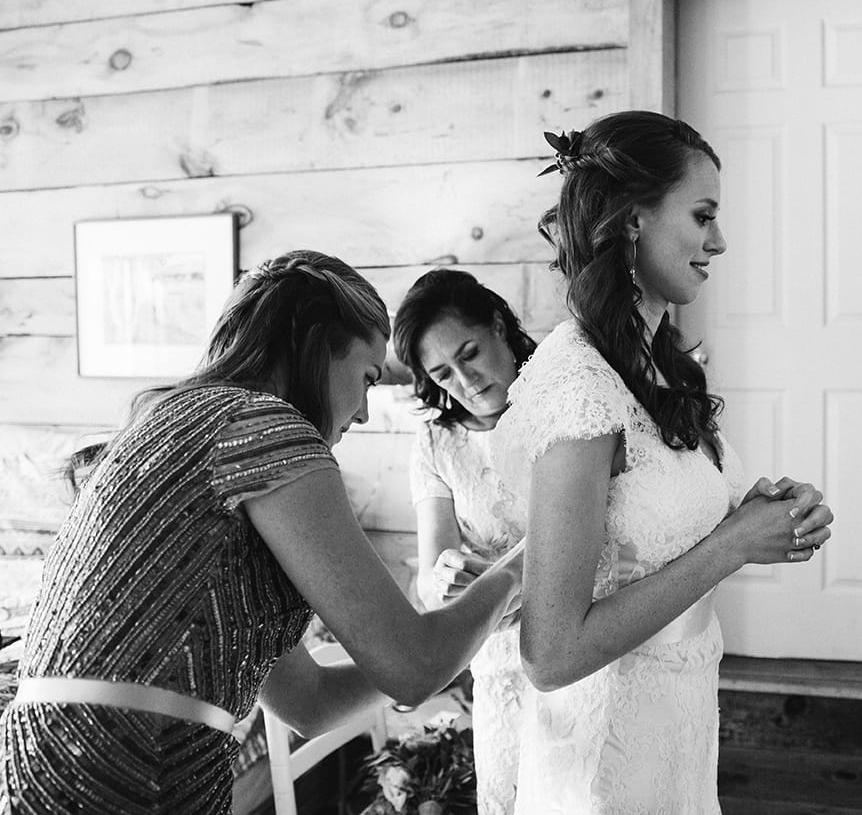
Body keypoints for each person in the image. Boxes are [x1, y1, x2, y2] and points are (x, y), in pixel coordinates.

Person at [0, 251, 522, 815]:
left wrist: (461, 642)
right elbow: (410, 667)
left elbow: (308, 702)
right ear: (317, 344)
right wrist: (525, 561)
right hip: (129, 764)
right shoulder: (267, 431)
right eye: (368, 377)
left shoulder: (175, 422)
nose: (365, 413)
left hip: (46, 761)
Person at [492, 111, 835, 812]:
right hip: (604, 756)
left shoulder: (655, 359)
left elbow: (656, 527)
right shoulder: (578, 385)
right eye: (702, 215)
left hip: (674, 725)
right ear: (631, 220)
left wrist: (756, 514)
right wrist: (732, 544)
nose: (719, 240)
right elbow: (550, 654)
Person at [391, 269, 535, 814]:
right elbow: (432, 586)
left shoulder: (564, 407)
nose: (466, 380)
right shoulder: (436, 443)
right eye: (443, 374)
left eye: (470, 353)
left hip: (586, 636)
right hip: (498, 661)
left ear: (499, 326)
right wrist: (444, 577)